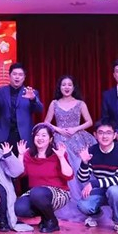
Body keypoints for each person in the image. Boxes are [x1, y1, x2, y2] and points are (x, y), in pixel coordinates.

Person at [44, 75, 96, 222]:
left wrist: (75, 128)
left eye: (69, 85)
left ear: (73, 87)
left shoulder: (80, 103)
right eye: (63, 85)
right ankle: (65, 205)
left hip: (78, 140)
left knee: (81, 170)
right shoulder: (54, 103)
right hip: (60, 141)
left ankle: (87, 204)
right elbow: (46, 122)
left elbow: (89, 122)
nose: (66, 87)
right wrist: (58, 129)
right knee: (63, 172)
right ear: (59, 87)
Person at [76, 120, 118, 234]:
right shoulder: (92, 150)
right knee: (83, 204)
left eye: (108, 133)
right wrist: (84, 163)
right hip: (103, 190)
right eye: (101, 132)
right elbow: (82, 178)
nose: (104, 136)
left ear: (114, 135)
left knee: (114, 191)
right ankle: (96, 214)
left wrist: (94, 184)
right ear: (95, 135)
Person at [14, 124, 74, 233]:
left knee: (37, 193)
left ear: (50, 139)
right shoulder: (28, 154)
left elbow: (69, 175)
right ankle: (45, 217)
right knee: (19, 208)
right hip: (35, 193)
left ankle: (52, 221)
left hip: (59, 192)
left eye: (44, 135)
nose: (40, 138)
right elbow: (19, 174)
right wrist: (21, 155)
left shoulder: (57, 153)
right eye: (37, 135)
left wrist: (61, 157)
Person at [0, 63, 43, 154]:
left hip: (23, 135)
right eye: (14, 74)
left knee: (23, 161)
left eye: (20, 75)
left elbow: (40, 109)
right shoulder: (0, 91)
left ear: (24, 77)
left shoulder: (31, 92)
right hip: (4, 135)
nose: (17, 77)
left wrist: (33, 99)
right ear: (9, 76)